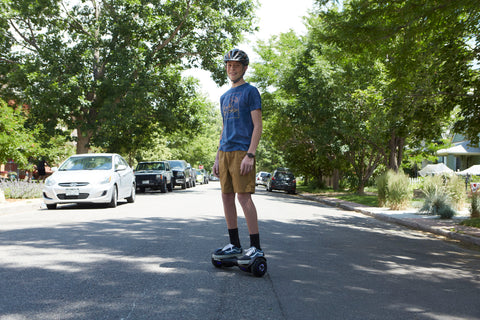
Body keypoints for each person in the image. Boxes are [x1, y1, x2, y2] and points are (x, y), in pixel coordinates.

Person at [212, 48, 264, 265]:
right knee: (226, 196)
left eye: (236, 65)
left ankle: (256, 248)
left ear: (244, 68)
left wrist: (250, 154)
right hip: (225, 151)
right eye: (228, 65)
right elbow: (224, 128)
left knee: (243, 197)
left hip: (242, 151)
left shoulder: (251, 92)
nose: (231, 69)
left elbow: (257, 125)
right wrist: (216, 157)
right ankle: (234, 243)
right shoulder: (224, 96)